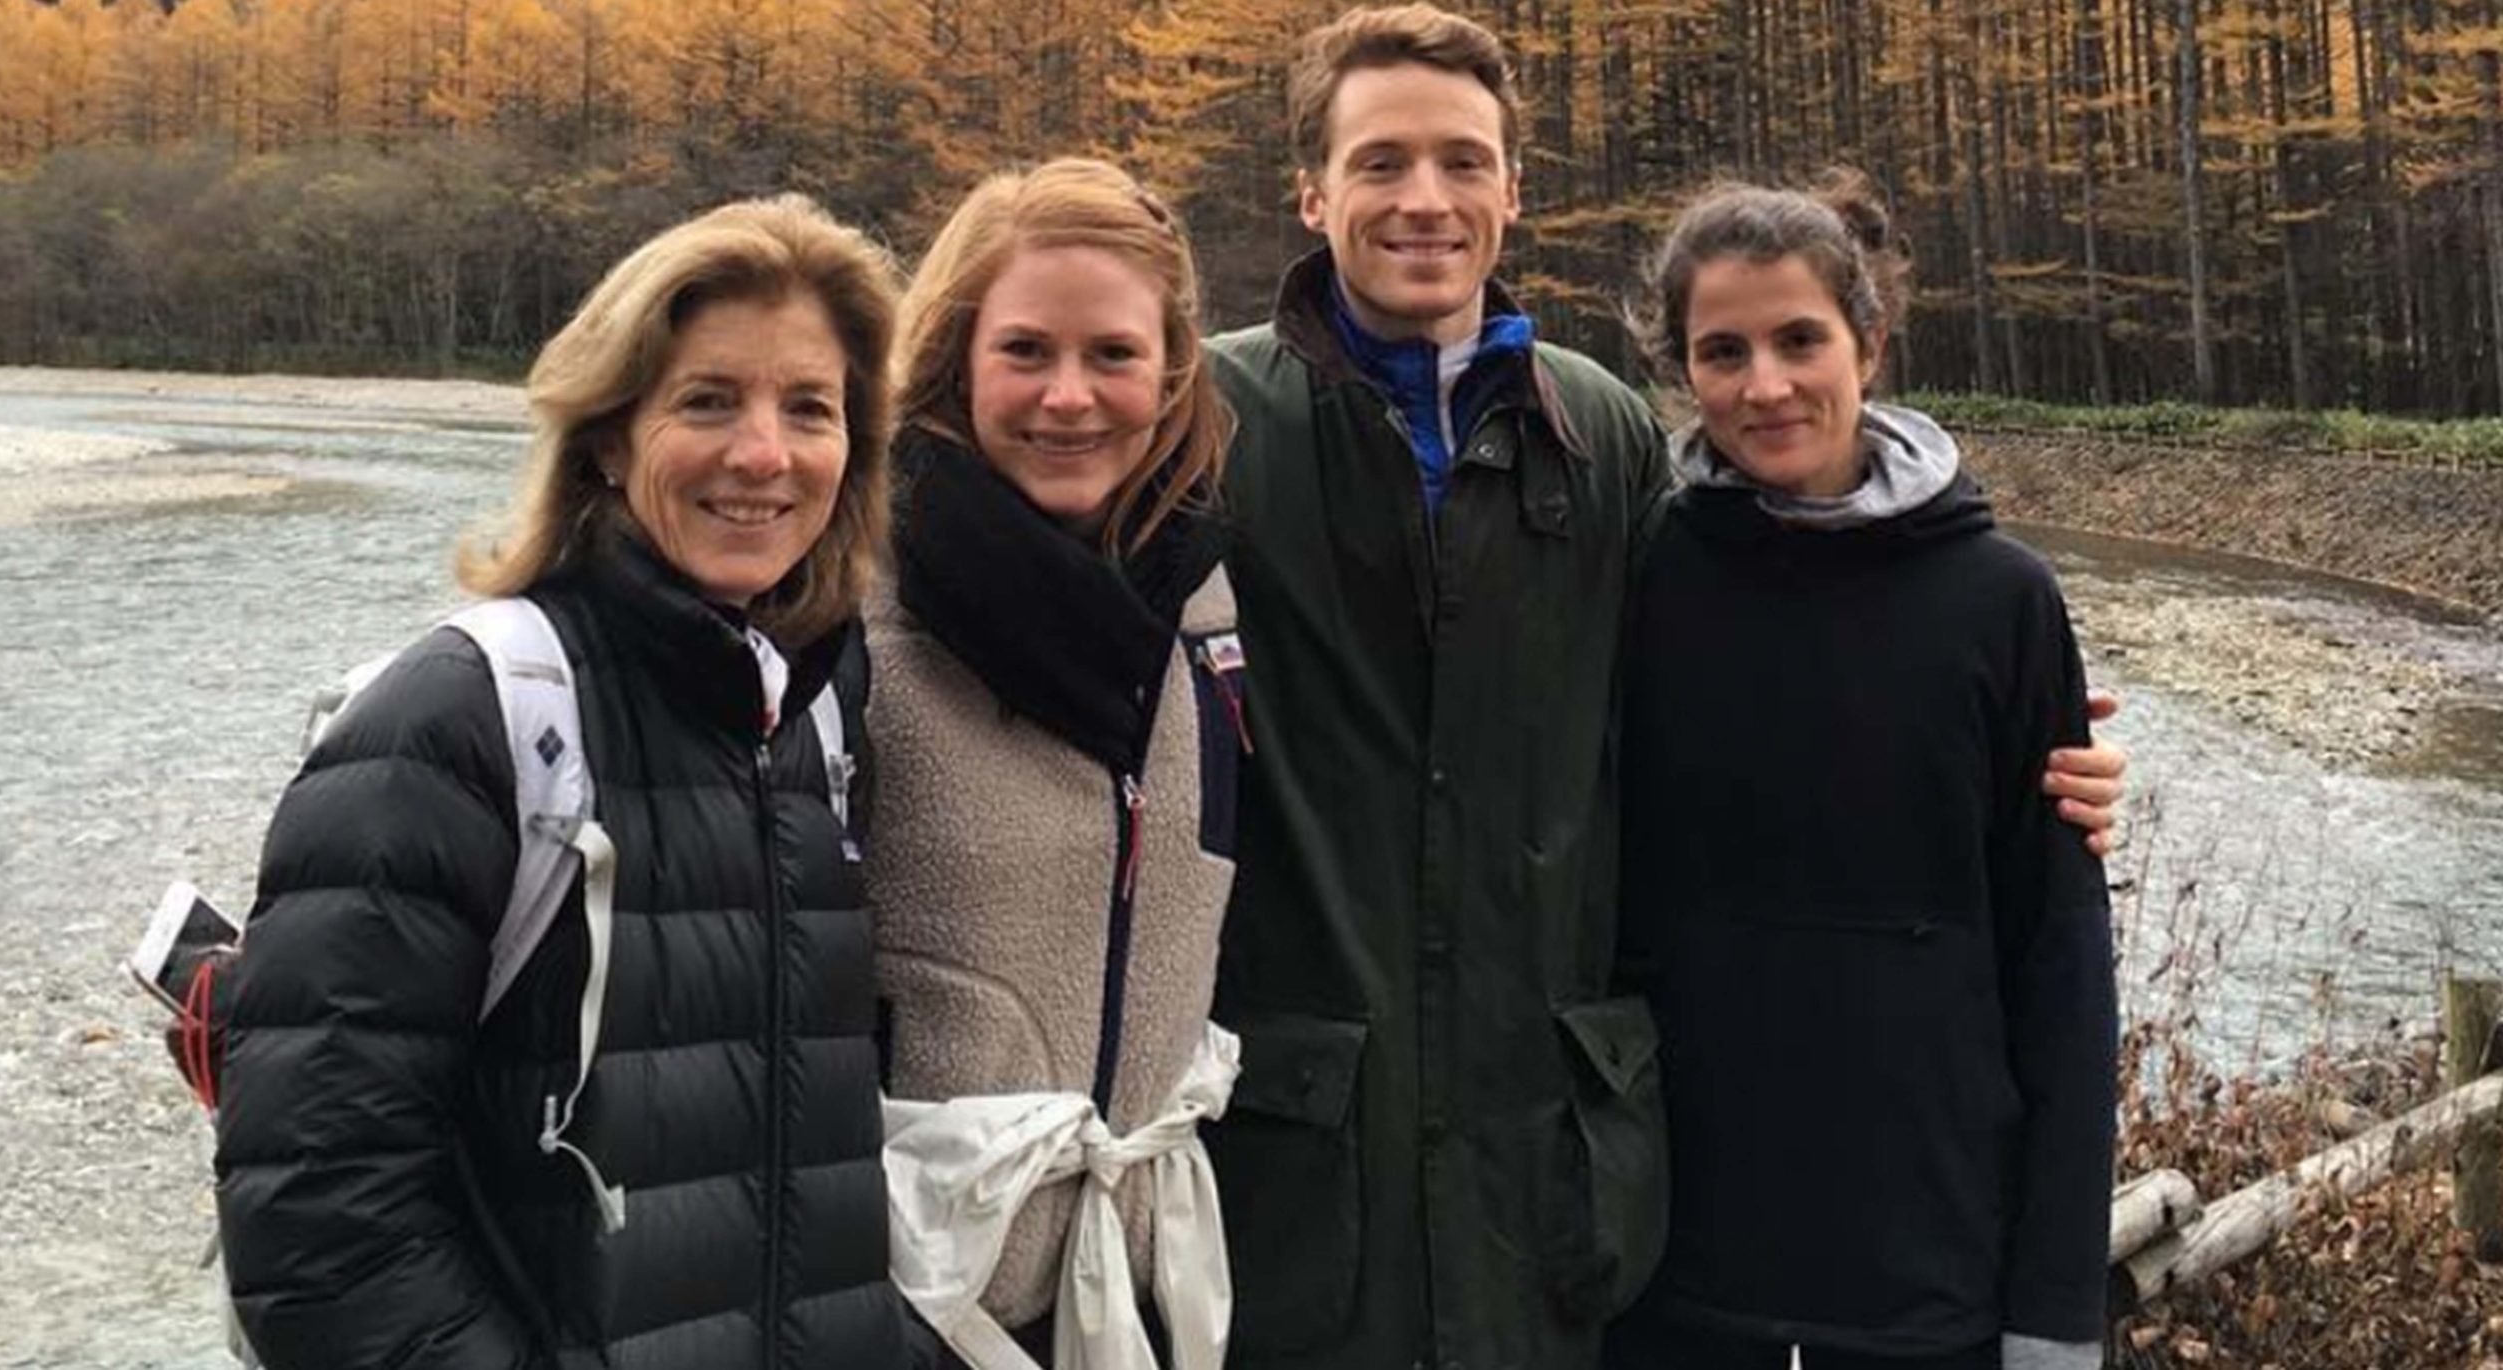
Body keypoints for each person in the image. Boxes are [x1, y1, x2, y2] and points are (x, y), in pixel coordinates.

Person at [1198, 7, 2128, 1369]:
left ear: (1516, 189)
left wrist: (2034, 751)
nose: (1424, 199)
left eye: (1463, 160)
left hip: (1567, 1185)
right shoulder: (1209, 414)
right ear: (1310, 187)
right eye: (1381, 160)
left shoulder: (1602, 438)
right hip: (1305, 1178)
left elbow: (1780, 647)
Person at [213, 195, 923, 1369]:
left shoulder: (818, 711)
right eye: (707, 400)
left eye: (811, 408)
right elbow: (318, 1222)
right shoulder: (459, 717)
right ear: (605, 432)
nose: (764, 453)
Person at [1606, 176, 2117, 1370]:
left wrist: (2053, 1307)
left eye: (1799, 339)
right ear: (1681, 370)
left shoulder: (2002, 601)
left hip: (1930, 1256)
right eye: (1720, 350)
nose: (1764, 383)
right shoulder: (1638, 578)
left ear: (1869, 343)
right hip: (1668, 1255)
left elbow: (2059, 963)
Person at [868, 158, 1243, 1370]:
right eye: (1025, 351)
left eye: (1113, 355)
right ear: (955, 361)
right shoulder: (848, 604)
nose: (1069, 398)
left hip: (1132, 1282)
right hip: (903, 1287)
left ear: (1173, 369)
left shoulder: (1206, 598)